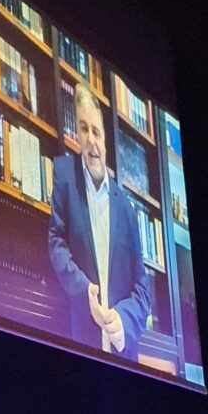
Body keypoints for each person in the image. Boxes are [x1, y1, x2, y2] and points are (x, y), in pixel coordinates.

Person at [49, 83, 150, 360]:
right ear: (76, 133)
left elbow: (142, 289)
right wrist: (85, 292)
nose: (91, 140)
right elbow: (56, 243)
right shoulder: (64, 176)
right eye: (84, 129)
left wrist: (124, 320)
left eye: (96, 131)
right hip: (78, 338)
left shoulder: (127, 210)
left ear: (105, 139)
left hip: (123, 352)